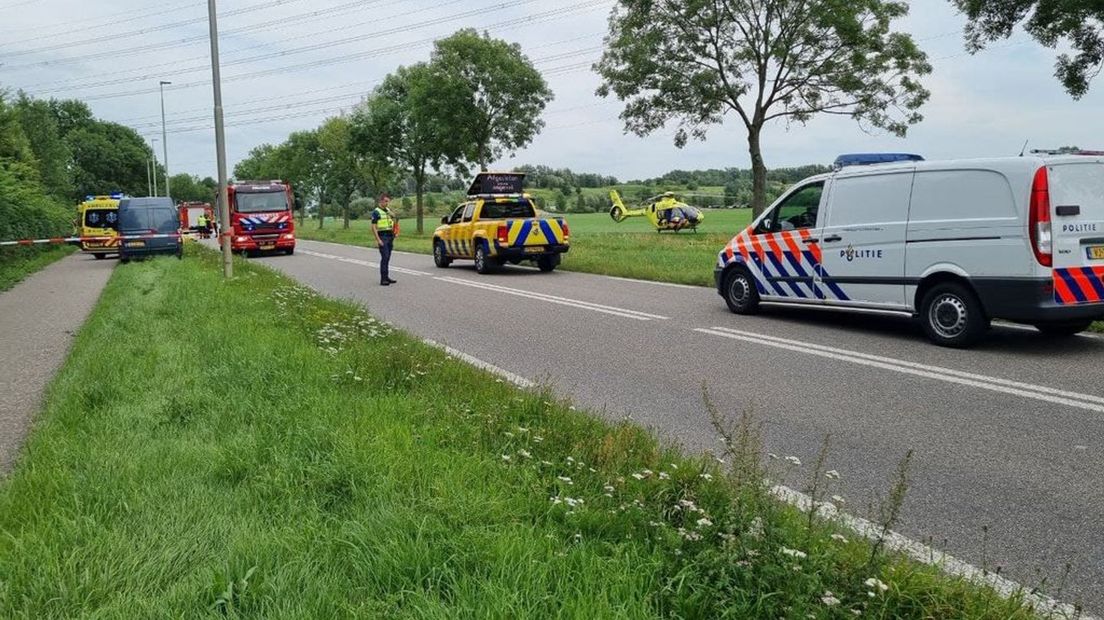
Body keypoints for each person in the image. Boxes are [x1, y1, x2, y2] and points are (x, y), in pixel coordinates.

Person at [371, 194, 398, 286]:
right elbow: (373, 227)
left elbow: (394, 221)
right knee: (385, 257)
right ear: (381, 201)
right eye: (386, 201)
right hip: (382, 236)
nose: (387, 203)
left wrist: (395, 231)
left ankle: (386, 277)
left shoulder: (388, 211)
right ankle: (383, 279)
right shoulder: (376, 212)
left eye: (388, 201)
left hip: (390, 235)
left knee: (388, 257)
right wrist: (378, 240)